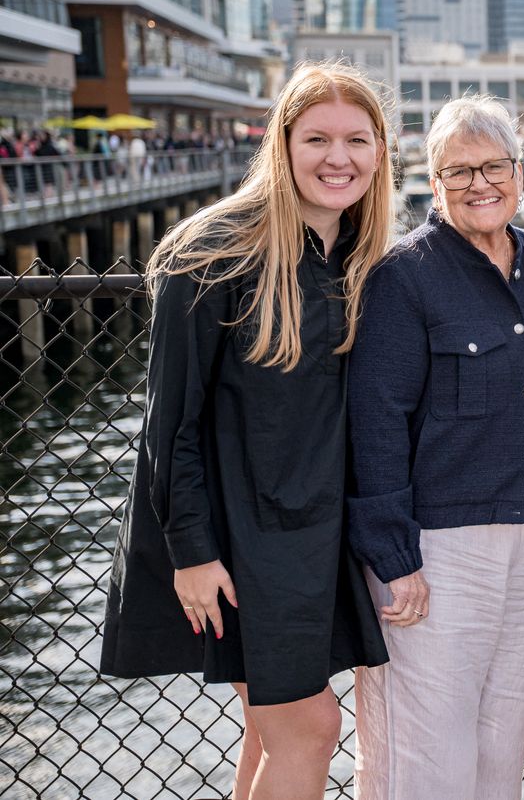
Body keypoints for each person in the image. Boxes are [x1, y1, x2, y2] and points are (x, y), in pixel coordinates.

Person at [100, 61, 394, 800]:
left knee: (272, 729)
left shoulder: (361, 256)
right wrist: (193, 553)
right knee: (312, 728)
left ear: (381, 151)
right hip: (231, 537)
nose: (338, 158)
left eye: (357, 140)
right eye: (317, 139)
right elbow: (169, 423)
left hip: (309, 532)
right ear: (281, 143)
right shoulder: (215, 251)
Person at [345, 95, 524, 800]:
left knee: (504, 742)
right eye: (459, 171)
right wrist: (396, 558)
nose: (480, 184)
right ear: (434, 182)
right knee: (427, 756)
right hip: (437, 550)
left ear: (519, 173)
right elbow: (375, 423)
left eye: (494, 167)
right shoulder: (403, 276)